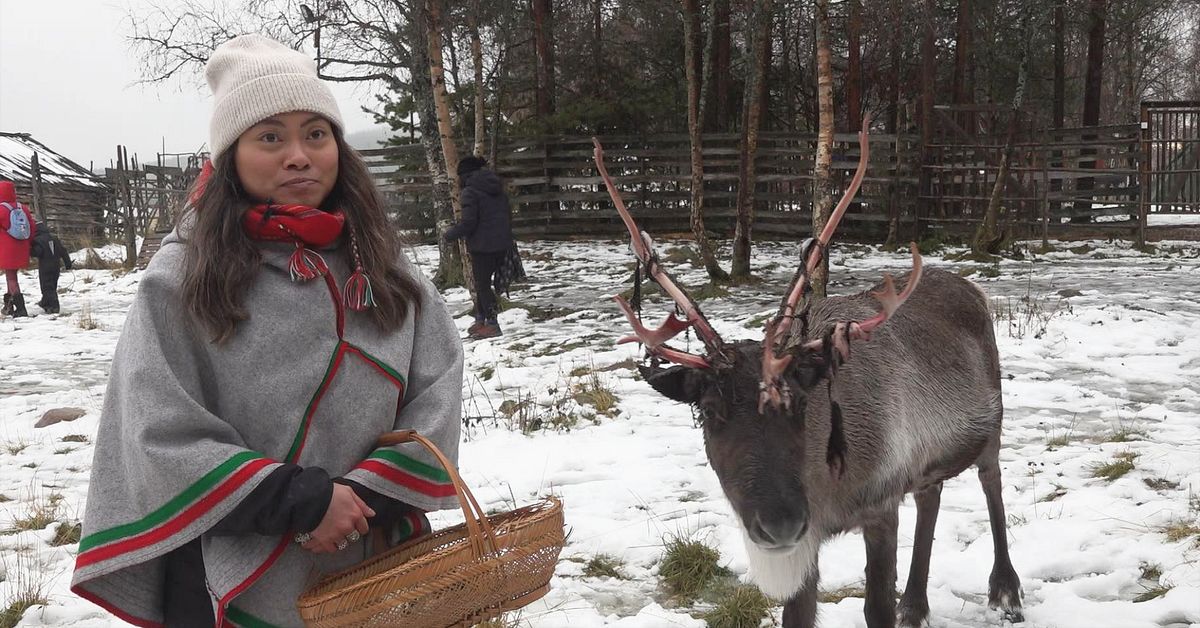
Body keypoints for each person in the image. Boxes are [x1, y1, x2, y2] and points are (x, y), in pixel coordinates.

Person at [71, 35, 464, 627]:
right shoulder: (182, 278)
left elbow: (437, 383)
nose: (299, 155)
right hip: (221, 568)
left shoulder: (382, 266)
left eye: (316, 132)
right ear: (231, 154)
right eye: (270, 137)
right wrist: (302, 502)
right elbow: (157, 428)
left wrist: (360, 501)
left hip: (372, 556)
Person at [444, 156, 515, 339]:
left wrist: (449, 234)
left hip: (483, 247)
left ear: (464, 175)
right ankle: (480, 320)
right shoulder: (497, 187)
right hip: (503, 244)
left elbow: (469, 223)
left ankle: (492, 324)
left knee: (482, 285)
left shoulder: (470, 192)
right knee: (482, 284)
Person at [0, 180, 34, 318]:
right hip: (22, 247)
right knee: (11, 275)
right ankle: (9, 306)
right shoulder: (23, 208)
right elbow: (32, 227)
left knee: (11, 278)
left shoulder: (1, 209)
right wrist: (28, 244)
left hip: (7, 249)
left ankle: (20, 308)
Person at [29, 220, 73, 314]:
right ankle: (45, 303)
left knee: (46, 287)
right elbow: (63, 251)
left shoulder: (38, 240)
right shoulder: (54, 238)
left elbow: (37, 252)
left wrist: (30, 249)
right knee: (52, 285)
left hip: (45, 267)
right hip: (56, 266)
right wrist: (67, 263)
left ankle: (54, 306)